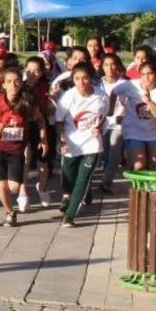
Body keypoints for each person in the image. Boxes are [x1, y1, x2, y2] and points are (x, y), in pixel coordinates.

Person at [0, 68, 47, 227]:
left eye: (16, 81)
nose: (13, 85)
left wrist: (43, 139)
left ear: (22, 83)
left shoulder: (27, 101)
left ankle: (12, 204)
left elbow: (40, 119)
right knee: (2, 185)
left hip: (16, 150)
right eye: (9, 82)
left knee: (13, 188)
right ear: (3, 85)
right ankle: (10, 212)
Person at [54, 62, 109, 227]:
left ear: (91, 78)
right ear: (73, 80)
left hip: (92, 144)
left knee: (82, 179)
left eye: (85, 78)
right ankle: (71, 197)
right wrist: (62, 139)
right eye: (77, 78)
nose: (81, 82)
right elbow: (58, 121)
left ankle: (70, 215)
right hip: (71, 143)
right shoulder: (69, 96)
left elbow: (104, 117)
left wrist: (99, 128)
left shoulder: (101, 96)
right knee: (68, 177)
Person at [111, 62, 156, 171]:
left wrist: (149, 101)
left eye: (150, 73)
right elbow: (114, 91)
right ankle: (136, 188)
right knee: (139, 166)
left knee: (155, 168)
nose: (146, 77)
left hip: (155, 133)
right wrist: (111, 111)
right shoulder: (131, 85)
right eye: (143, 74)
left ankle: (150, 189)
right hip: (133, 131)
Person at [23, 56, 56, 205]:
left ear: (42, 72)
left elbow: (51, 112)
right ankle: (23, 193)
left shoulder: (48, 87)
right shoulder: (19, 86)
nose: (32, 73)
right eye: (29, 70)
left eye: (36, 70)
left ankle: (42, 188)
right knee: (25, 158)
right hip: (23, 126)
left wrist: (52, 101)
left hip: (43, 126)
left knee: (42, 162)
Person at [99, 53, 127, 193]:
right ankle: (96, 179)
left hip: (118, 124)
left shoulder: (125, 84)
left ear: (118, 66)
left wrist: (125, 117)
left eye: (113, 64)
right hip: (100, 125)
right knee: (102, 155)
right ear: (102, 67)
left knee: (114, 154)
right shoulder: (97, 83)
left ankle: (106, 182)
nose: (110, 68)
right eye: (106, 64)